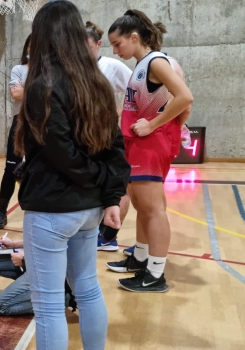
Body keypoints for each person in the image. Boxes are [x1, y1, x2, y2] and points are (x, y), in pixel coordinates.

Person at [14, 1, 130, 350]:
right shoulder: (96, 82)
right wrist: (108, 194)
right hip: (88, 209)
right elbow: (115, 148)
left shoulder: (42, 85)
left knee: (48, 307)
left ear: (43, 36)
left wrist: (103, 189)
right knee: (89, 289)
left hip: (53, 209)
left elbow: (61, 154)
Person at [106, 10, 193, 292]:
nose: (115, 50)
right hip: (140, 143)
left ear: (134, 37)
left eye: (118, 44)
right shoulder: (143, 64)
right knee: (144, 207)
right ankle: (142, 259)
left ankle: (155, 275)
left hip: (151, 144)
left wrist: (154, 124)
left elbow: (185, 98)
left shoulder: (157, 61)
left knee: (153, 209)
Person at [84, 21, 135, 252]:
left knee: (116, 186)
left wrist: (117, 112)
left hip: (106, 138)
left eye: (87, 46)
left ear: (98, 44)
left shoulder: (112, 66)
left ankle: (109, 236)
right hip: (85, 141)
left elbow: (137, 94)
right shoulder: (76, 70)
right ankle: (94, 232)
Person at [0, 34, 31, 230]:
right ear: (27, 48)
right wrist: (42, 89)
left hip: (42, 124)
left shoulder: (49, 71)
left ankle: (35, 210)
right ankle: (1, 213)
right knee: (10, 169)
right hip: (20, 123)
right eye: (32, 46)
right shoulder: (18, 69)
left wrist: (28, 89)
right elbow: (16, 93)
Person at [0, 236, 77, 316]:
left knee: (1, 306)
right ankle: (35, 290)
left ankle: (59, 300)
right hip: (41, 264)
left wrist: (26, 259)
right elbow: (45, 239)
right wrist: (14, 244)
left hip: (58, 277)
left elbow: (62, 260)